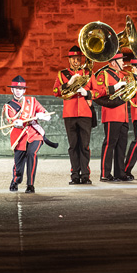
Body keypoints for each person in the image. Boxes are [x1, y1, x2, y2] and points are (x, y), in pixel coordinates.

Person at [52, 45, 95, 185]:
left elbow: (98, 91)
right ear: (69, 60)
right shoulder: (62, 74)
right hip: (69, 114)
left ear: (81, 59)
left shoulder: (88, 73)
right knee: (73, 145)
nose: (76, 61)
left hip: (85, 114)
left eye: (78, 58)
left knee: (84, 146)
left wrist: (87, 94)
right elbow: (55, 91)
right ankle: (75, 174)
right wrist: (67, 84)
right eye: (73, 59)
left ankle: (86, 175)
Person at [4, 76, 53, 193]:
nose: (18, 90)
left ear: (24, 90)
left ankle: (30, 185)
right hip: (19, 137)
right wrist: (17, 122)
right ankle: (16, 180)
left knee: (32, 154)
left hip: (34, 134)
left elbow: (47, 114)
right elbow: (11, 120)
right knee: (18, 164)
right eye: (16, 88)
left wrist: (43, 116)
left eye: (20, 88)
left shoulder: (32, 101)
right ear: (12, 90)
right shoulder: (8, 106)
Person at [92, 52, 131, 182]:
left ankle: (120, 173)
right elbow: (98, 92)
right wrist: (114, 87)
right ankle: (105, 173)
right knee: (109, 144)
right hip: (111, 114)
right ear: (114, 62)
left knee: (121, 145)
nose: (124, 63)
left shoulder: (122, 75)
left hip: (124, 115)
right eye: (121, 61)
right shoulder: (104, 74)